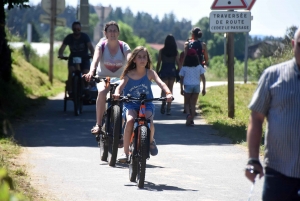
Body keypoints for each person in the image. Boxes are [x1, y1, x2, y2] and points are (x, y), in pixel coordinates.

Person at [245, 28, 300, 201]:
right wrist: (253, 158)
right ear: (293, 45)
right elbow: (256, 119)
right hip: (278, 173)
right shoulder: (273, 76)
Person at [113, 46, 173, 162]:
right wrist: (116, 93)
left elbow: (161, 83)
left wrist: (168, 93)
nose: (142, 59)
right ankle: (125, 152)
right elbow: (120, 87)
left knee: (149, 120)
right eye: (139, 57)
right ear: (134, 59)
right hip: (130, 104)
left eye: (144, 57)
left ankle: (150, 141)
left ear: (147, 59)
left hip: (146, 104)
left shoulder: (150, 73)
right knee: (130, 120)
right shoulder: (129, 74)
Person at [83, 21, 131, 134]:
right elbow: (95, 59)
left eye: (115, 31)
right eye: (110, 31)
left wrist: (133, 70)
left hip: (121, 79)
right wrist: (91, 71)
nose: (112, 33)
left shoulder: (123, 46)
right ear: (105, 33)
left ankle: (120, 133)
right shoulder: (101, 45)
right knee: (102, 93)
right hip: (104, 78)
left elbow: (130, 59)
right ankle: (98, 124)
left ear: (118, 33)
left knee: (124, 101)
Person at [58, 21, 94, 95]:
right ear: (72, 29)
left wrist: (93, 54)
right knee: (71, 72)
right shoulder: (69, 37)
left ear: (80, 29)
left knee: (86, 72)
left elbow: (90, 47)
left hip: (84, 58)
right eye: (75, 29)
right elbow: (62, 48)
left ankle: (87, 87)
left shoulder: (85, 36)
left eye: (78, 29)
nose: (76, 30)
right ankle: (70, 89)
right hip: (73, 58)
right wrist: (61, 54)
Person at [181, 27, 209, 114]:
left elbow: (185, 55)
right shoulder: (203, 44)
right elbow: (206, 57)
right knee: (196, 84)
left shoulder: (187, 44)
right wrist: (204, 63)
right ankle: (192, 107)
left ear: (192, 34)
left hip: (188, 66)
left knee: (187, 86)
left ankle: (187, 107)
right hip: (199, 66)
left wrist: (183, 66)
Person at [179, 48, 206, 126]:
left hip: (188, 86)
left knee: (187, 103)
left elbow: (181, 79)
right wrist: (204, 88)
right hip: (196, 86)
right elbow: (203, 78)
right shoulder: (199, 67)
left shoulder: (184, 68)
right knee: (193, 104)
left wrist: (181, 89)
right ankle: (192, 119)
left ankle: (188, 115)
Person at [156, 34, 181, 115]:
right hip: (172, 71)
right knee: (170, 90)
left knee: (164, 89)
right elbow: (178, 63)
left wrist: (156, 72)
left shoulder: (161, 51)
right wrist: (177, 71)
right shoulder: (175, 52)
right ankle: (169, 108)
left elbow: (159, 62)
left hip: (164, 70)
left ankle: (163, 103)